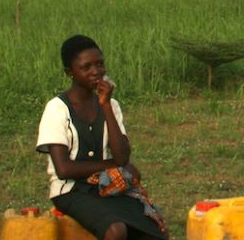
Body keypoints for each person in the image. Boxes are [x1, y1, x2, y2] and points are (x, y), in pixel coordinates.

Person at [36, 35, 168, 240]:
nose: (96, 72)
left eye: (100, 64)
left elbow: (122, 157)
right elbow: (64, 169)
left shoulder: (111, 105)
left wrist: (105, 105)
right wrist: (111, 165)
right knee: (116, 230)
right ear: (70, 72)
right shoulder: (57, 109)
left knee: (154, 231)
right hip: (71, 191)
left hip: (105, 186)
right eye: (86, 67)